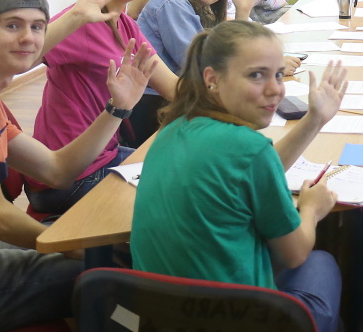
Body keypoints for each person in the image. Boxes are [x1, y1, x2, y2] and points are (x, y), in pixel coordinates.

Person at [0, 0, 155, 332]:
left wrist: (117, 109)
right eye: (13, 26)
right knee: (106, 271)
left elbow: (58, 170)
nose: (28, 37)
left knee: (92, 240)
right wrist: (66, 248)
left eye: (38, 27)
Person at [131, 21, 348, 332]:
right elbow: (294, 254)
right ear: (213, 79)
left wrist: (315, 120)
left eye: (278, 75)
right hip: (235, 319)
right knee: (320, 262)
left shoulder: (174, 128)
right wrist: (312, 210)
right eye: (256, 75)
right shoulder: (250, 149)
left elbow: (249, 168)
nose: (275, 89)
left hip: (163, 318)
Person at [26, 0, 179, 216]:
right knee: (175, 197)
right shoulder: (80, 20)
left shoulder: (125, 24)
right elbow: (23, 59)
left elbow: (174, 87)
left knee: (184, 172)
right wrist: (75, 18)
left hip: (104, 155)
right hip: (68, 174)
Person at [132, 0, 258, 144]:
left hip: (177, 100)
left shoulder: (197, 8)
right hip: (153, 107)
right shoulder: (172, 3)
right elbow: (202, 67)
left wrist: (243, 11)